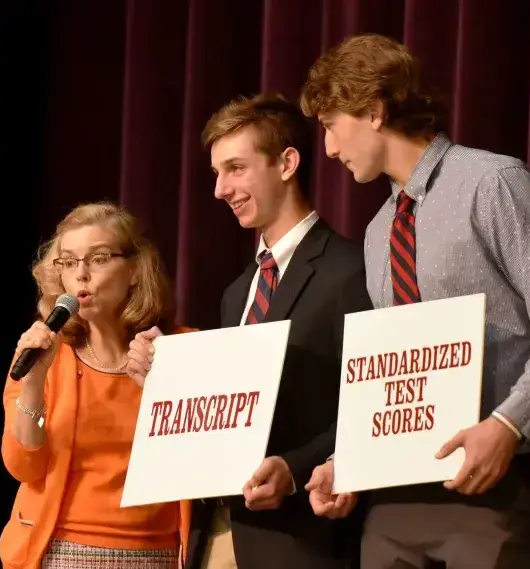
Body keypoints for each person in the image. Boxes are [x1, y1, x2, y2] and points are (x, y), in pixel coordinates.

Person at [297, 33, 530, 568]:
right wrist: (349, 462)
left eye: (330, 126)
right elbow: (393, 376)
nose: (329, 149)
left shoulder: (493, 183)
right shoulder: (377, 232)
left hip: (495, 486)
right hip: (398, 498)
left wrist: (506, 426)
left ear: (372, 109)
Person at [126, 93, 374, 569]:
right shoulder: (237, 292)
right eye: (217, 173)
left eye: (236, 168)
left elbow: (368, 405)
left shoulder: (351, 271)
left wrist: (297, 470)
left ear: (286, 163)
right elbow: (231, 418)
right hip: (217, 535)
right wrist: (168, 380)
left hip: (298, 542)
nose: (220, 189)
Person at [0, 202, 192, 569]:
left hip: (158, 554)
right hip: (62, 550)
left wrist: (165, 385)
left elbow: (207, 458)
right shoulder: (43, 353)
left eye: (99, 259)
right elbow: (25, 465)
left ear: (134, 270)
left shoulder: (178, 349)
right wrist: (34, 382)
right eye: (69, 262)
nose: (81, 275)